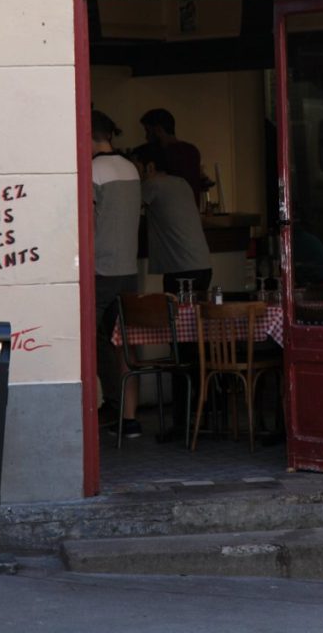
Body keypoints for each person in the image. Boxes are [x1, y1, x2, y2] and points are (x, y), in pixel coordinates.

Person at [92, 109, 143, 438]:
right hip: (129, 269)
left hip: (102, 268)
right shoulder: (131, 169)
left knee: (93, 341)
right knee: (124, 343)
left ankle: (109, 405)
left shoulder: (93, 170)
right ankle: (130, 419)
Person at [131, 143, 212, 295]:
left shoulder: (153, 184)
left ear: (149, 167)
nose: (133, 173)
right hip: (203, 265)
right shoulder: (181, 183)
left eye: (135, 167)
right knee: (193, 315)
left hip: (181, 269)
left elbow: (128, 210)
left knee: (175, 315)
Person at [140, 108, 203, 207]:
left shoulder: (164, 154)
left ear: (159, 130)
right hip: (191, 214)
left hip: (170, 216)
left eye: (148, 131)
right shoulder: (192, 150)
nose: (146, 137)